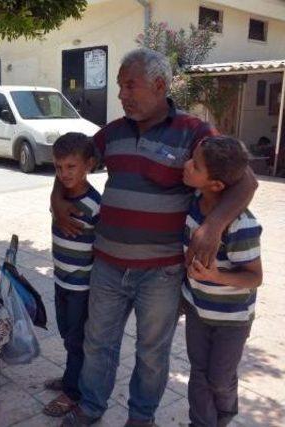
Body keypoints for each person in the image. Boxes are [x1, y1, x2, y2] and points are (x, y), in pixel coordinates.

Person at [53, 48, 258, 427]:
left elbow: (246, 178)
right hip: (109, 265)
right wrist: (56, 198)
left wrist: (213, 227)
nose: (121, 95)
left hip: (160, 273)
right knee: (98, 343)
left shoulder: (195, 132)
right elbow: (73, 159)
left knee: (151, 352)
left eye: (129, 85)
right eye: (119, 87)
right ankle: (92, 407)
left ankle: (141, 417)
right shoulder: (113, 132)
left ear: (160, 85)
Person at [181, 136, 262, 427]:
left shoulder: (242, 225)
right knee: (199, 372)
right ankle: (201, 422)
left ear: (216, 185)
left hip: (232, 319)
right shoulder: (192, 204)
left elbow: (255, 276)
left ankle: (225, 413)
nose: (186, 166)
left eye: (196, 166)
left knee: (219, 378)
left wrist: (215, 276)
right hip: (197, 310)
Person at [43, 133, 101, 418]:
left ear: (88, 165)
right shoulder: (61, 197)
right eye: (58, 167)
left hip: (81, 286)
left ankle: (73, 392)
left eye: (71, 167)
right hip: (60, 279)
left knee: (77, 340)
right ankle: (71, 378)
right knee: (67, 335)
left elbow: (101, 248)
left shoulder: (94, 205)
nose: (64, 174)